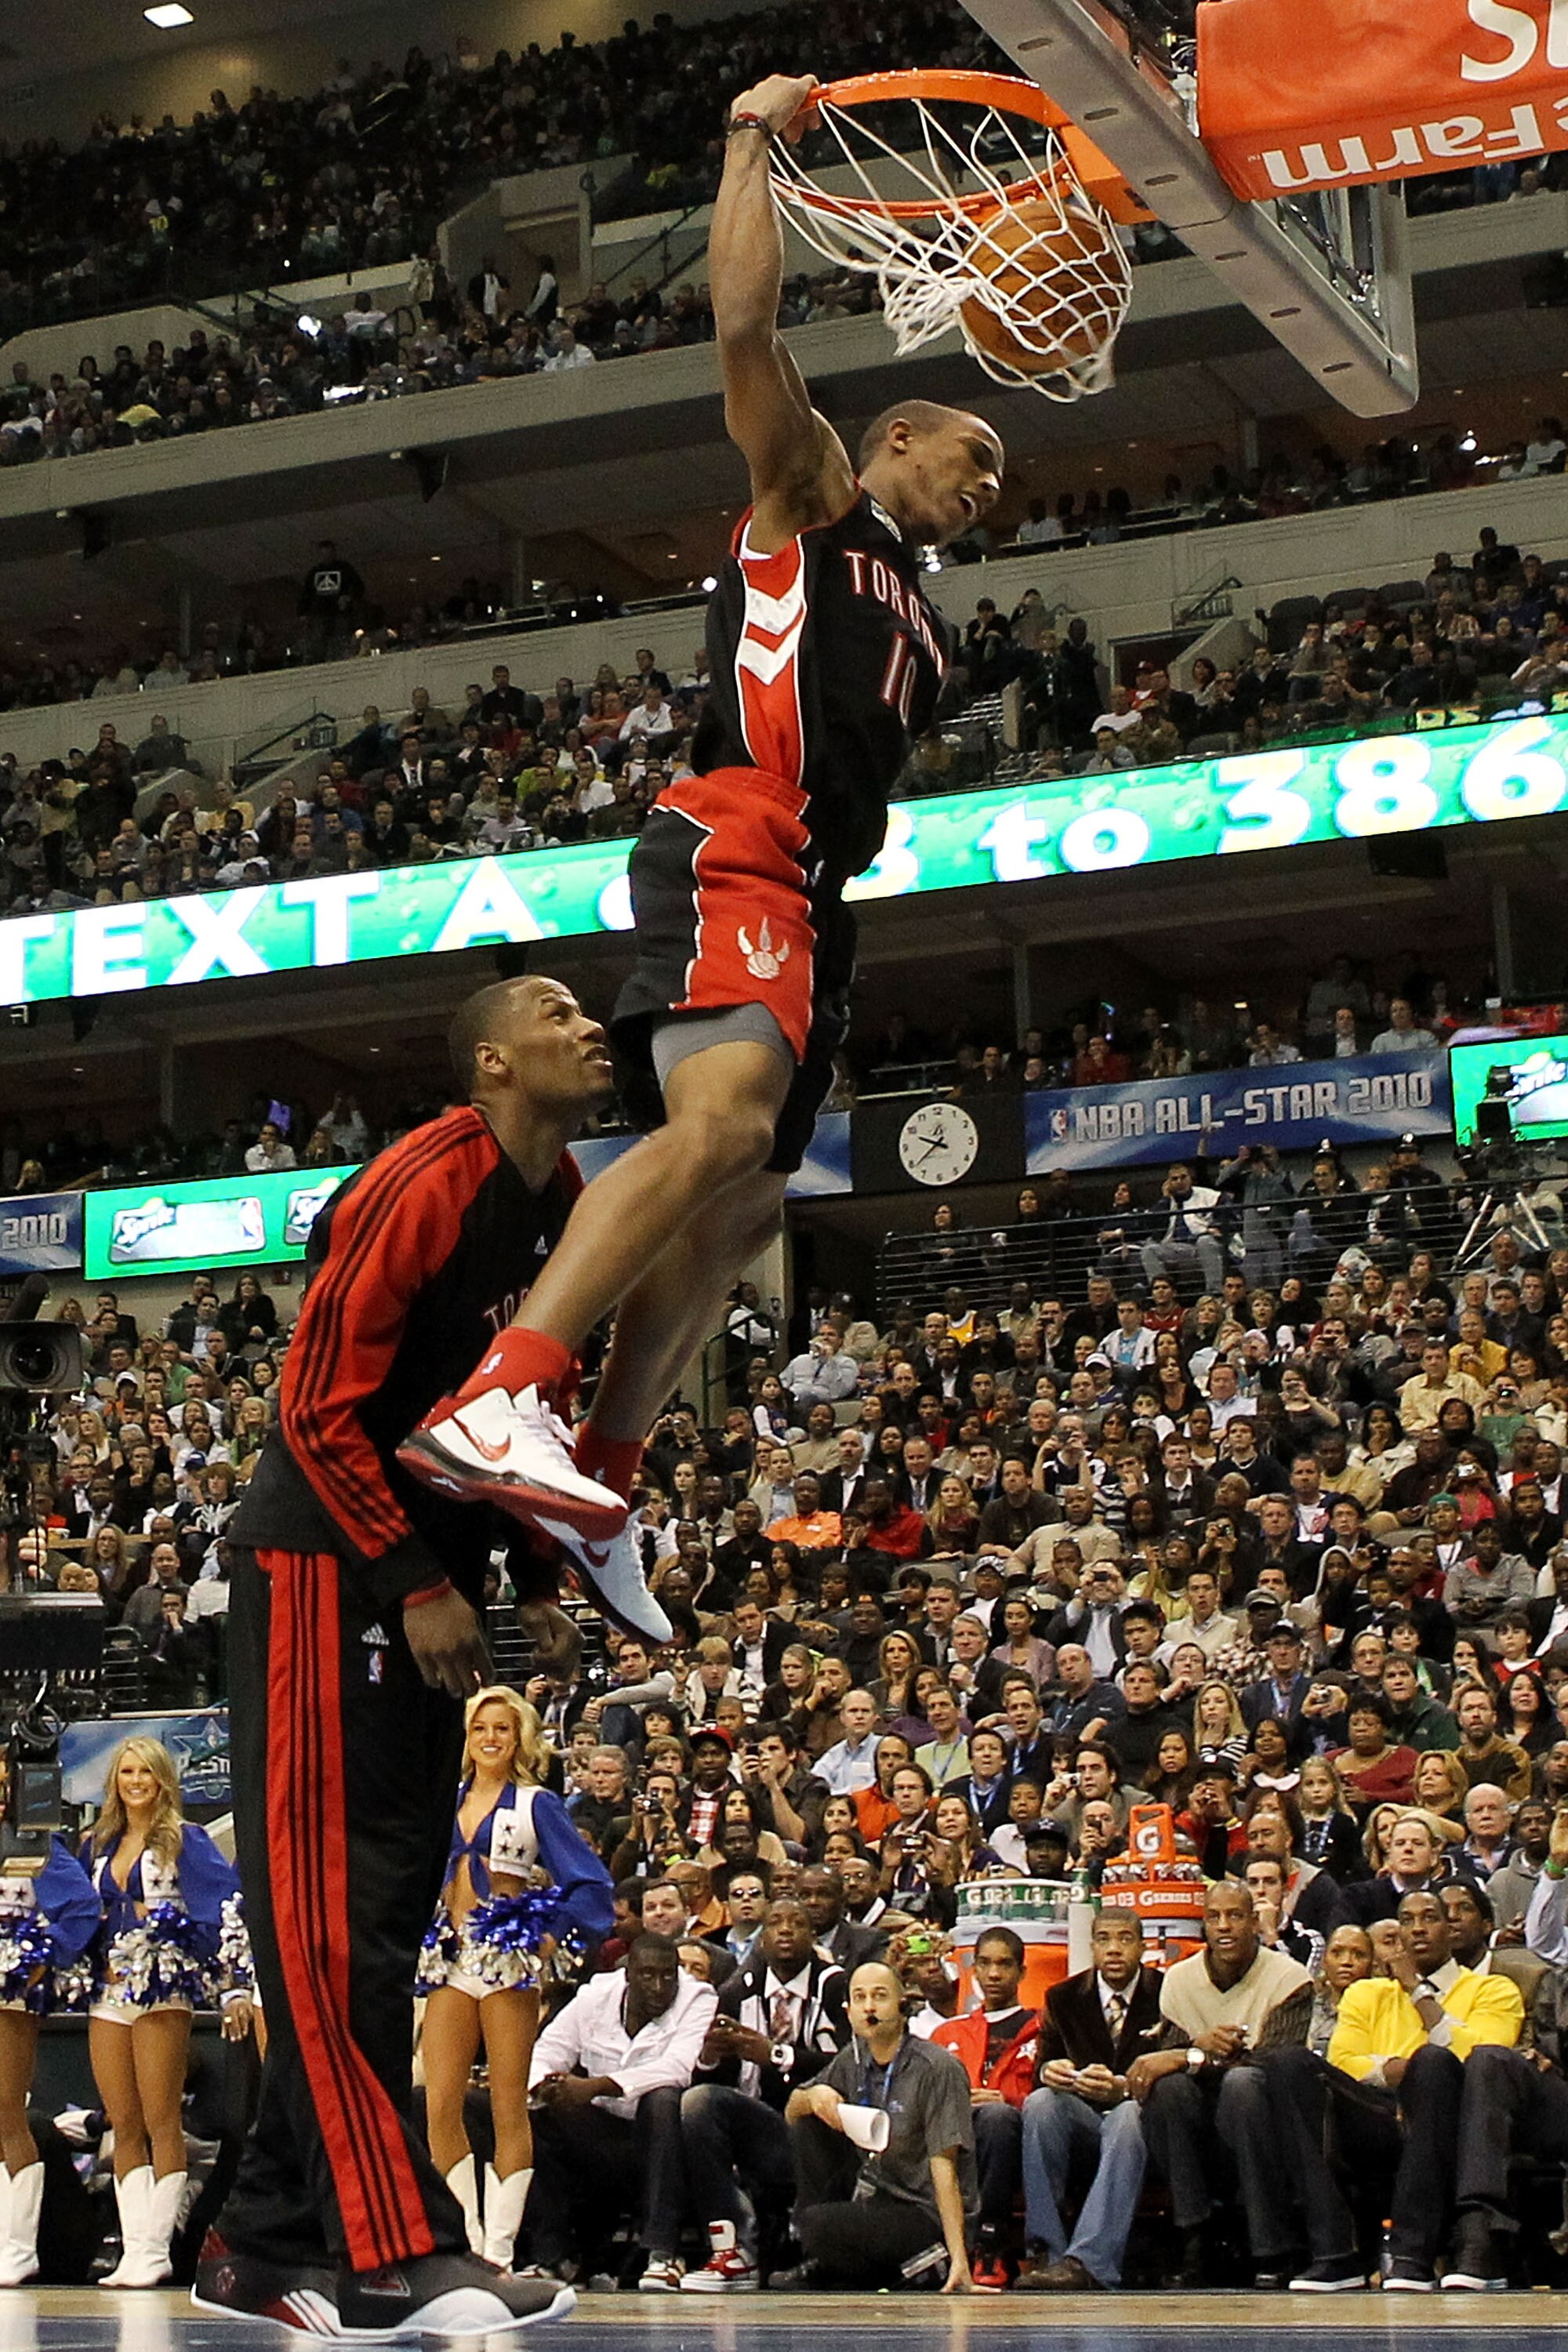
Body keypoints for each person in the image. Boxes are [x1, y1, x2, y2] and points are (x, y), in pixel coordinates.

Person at [397, 72, 1004, 1624]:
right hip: (738, 829)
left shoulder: (929, 630)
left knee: (745, 1202)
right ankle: (506, 1389)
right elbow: (741, 334)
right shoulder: (813, 501)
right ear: (900, 432)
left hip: (813, 886)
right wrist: (747, 143)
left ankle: (595, 1474)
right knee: (722, 1137)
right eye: (970, 458)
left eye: (997, 482)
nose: (987, 490)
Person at [203, 978, 646, 2341]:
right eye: (560, 1013)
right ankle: (397, 2253)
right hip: (322, 1572)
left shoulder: (562, 1190)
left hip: (418, 1579)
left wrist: (526, 1572)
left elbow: (499, 1417)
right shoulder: (425, 1179)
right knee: (333, 1926)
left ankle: (257, 2241)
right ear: (495, 1062)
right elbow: (314, 1404)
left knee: (380, 1924)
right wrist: (408, 1579)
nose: (591, 1028)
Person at [416, 1687, 614, 2271]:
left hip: (508, 1960)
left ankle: (499, 2246)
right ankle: (465, 2239)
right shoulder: (442, 1802)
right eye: (481, 1729)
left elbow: (590, 1883)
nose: (491, 1739)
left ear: (519, 1737)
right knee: (440, 2104)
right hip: (451, 1960)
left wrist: (550, 1933)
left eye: (502, 1729)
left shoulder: (537, 1804)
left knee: (507, 2104)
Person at [1271, 1888, 1523, 2290]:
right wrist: (1391, 2070)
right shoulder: (1366, 1992)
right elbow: (1343, 2060)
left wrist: (1416, 1991)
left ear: (1450, 1928)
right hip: (1379, 2114)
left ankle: (1412, 2255)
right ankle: (1336, 2255)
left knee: (1433, 2064)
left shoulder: (1493, 1990)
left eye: (1430, 1918)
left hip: (1453, 2121)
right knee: (1289, 2063)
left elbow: (1477, 2060)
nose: (1418, 1929)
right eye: (1407, 1920)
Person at [82, 1737, 246, 2289]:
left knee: (161, 2119)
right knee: (122, 2123)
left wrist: (230, 1986)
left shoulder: (186, 1840)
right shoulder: (99, 1843)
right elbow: (86, 1915)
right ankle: (134, 2249)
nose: (135, 1781)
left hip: (162, 1988)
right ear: (115, 1781)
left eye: (145, 1772)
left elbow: (223, 1910)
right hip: (110, 1992)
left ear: (162, 1780)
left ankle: (158, 2249)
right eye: (126, 1771)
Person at [1130, 1880, 1311, 2285]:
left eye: (1235, 1916)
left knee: (1244, 2085)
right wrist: (1195, 2050)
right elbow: (1168, 2065)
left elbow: (1277, 2064)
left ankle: (1270, 2247)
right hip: (1199, 2122)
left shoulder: (1290, 1977)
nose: (1224, 1926)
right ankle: (1195, 2235)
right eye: (1214, 1917)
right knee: (1169, 2090)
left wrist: (1196, 2055)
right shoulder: (1178, 1979)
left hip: (1270, 2121)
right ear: (1203, 1927)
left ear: (1253, 1922)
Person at [523, 1932, 717, 2288]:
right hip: (604, 2136)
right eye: (647, 1975)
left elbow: (677, 2067)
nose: (659, 1986)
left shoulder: (698, 1997)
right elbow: (549, 2049)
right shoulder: (595, 1995)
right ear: (628, 1975)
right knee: (538, 2111)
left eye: (668, 1976)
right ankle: (554, 2257)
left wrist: (595, 2086)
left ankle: (663, 2252)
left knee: (662, 2098)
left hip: (666, 2143)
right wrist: (547, 2085)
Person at [678, 1895, 851, 2290]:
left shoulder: (836, 1986)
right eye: (776, 1924)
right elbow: (716, 2083)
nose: (786, 1930)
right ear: (762, 1938)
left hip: (822, 2132)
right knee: (698, 2102)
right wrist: (708, 2055)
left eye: (797, 1923)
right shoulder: (737, 1991)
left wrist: (775, 2054)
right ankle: (734, 2247)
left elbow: (849, 2064)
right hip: (761, 2130)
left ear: (814, 1935)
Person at [783, 1959, 977, 2289]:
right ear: (848, 2011)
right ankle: (890, 2272)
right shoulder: (854, 2056)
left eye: (879, 1996)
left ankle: (933, 2261)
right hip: (876, 2197)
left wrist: (961, 2258)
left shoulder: (936, 2067)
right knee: (808, 2124)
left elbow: (945, 2165)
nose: (869, 2007)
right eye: (859, 1998)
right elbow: (791, 2111)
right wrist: (814, 2094)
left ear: (902, 2007)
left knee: (816, 2225)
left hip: (924, 2210)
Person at [1016, 1907, 1159, 2292]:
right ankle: (1048, 2252)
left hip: (1142, 2122)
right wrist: (1052, 2073)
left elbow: (1174, 2066)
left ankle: (1091, 2261)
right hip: (1083, 2119)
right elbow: (1042, 2066)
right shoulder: (1063, 1997)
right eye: (1104, 1940)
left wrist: (1124, 2087)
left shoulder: (1166, 1991)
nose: (1114, 1950)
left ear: (1143, 1947)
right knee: (1042, 2103)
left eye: (1125, 1940)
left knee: (1129, 2114)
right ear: (1092, 1945)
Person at [0, 1786, 101, 2288]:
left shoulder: (31, 1842)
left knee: (6, 2113)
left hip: (8, 1992)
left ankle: (17, 2251)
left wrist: (37, 1961)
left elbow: (81, 1906)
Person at [931, 1926, 1040, 2288]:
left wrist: (1010, 2102)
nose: (994, 1974)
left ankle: (990, 2244)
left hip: (1024, 2135)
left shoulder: (1044, 2028)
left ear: (1022, 1972)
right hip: (960, 2135)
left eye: (1005, 1965)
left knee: (998, 2117)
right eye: (985, 1964)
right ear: (972, 1969)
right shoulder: (948, 2033)